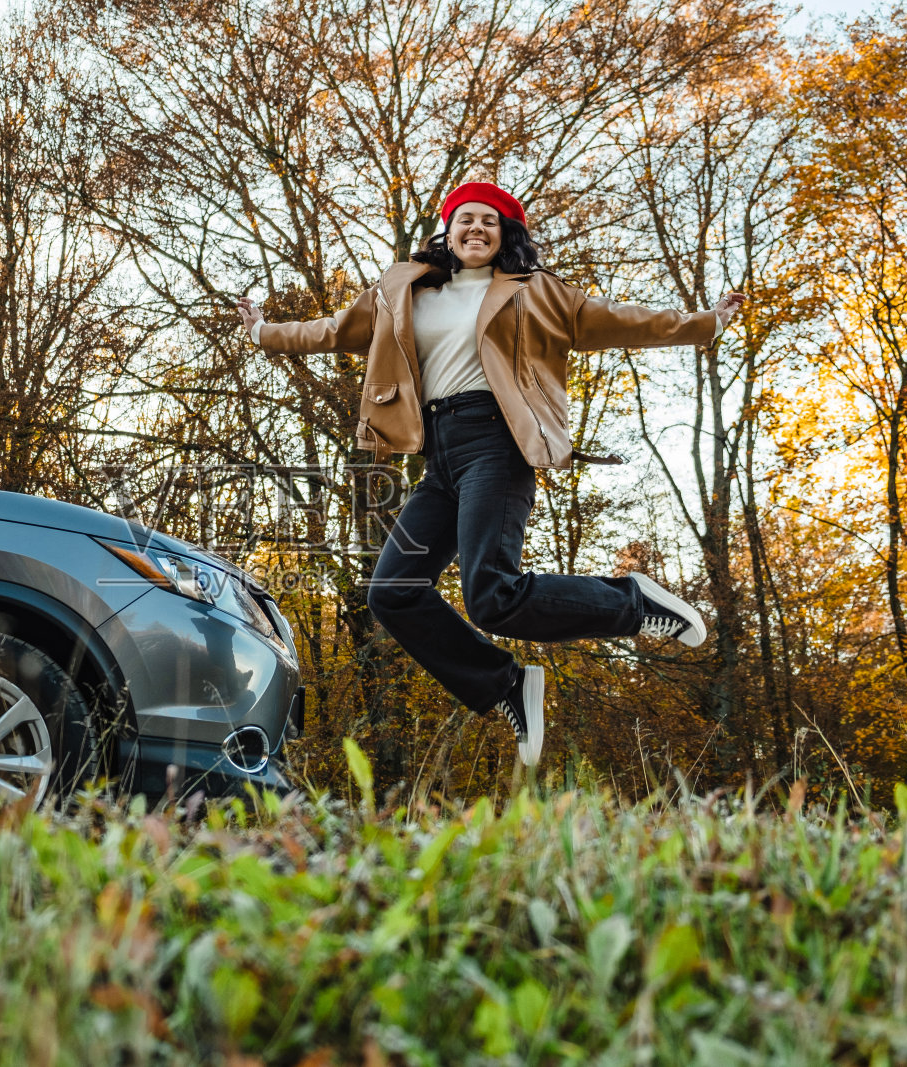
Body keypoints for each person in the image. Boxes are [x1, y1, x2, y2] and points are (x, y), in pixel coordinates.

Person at [236, 181, 745, 768]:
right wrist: (262, 333)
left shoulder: (534, 291)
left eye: (490, 221)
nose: (476, 228)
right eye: (466, 219)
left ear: (506, 235)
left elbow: (618, 319)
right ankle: (506, 685)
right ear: (448, 230)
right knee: (392, 591)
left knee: (492, 595)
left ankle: (632, 601)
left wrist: (702, 323)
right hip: (439, 455)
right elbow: (333, 329)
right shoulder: (402, 289)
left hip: (497, 442)